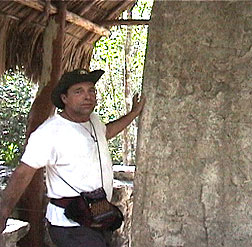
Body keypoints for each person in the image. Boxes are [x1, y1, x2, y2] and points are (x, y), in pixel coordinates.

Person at [0, 69, 146, 247]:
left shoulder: (93, 121)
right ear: (64, 98)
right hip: (69, 225)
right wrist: (4, 211)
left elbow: (106, 132)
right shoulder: (49, 132)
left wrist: (133, 113)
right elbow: (23, 173)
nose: (88, 96)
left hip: (97, 216)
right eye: (79, 91)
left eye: (91, 90)